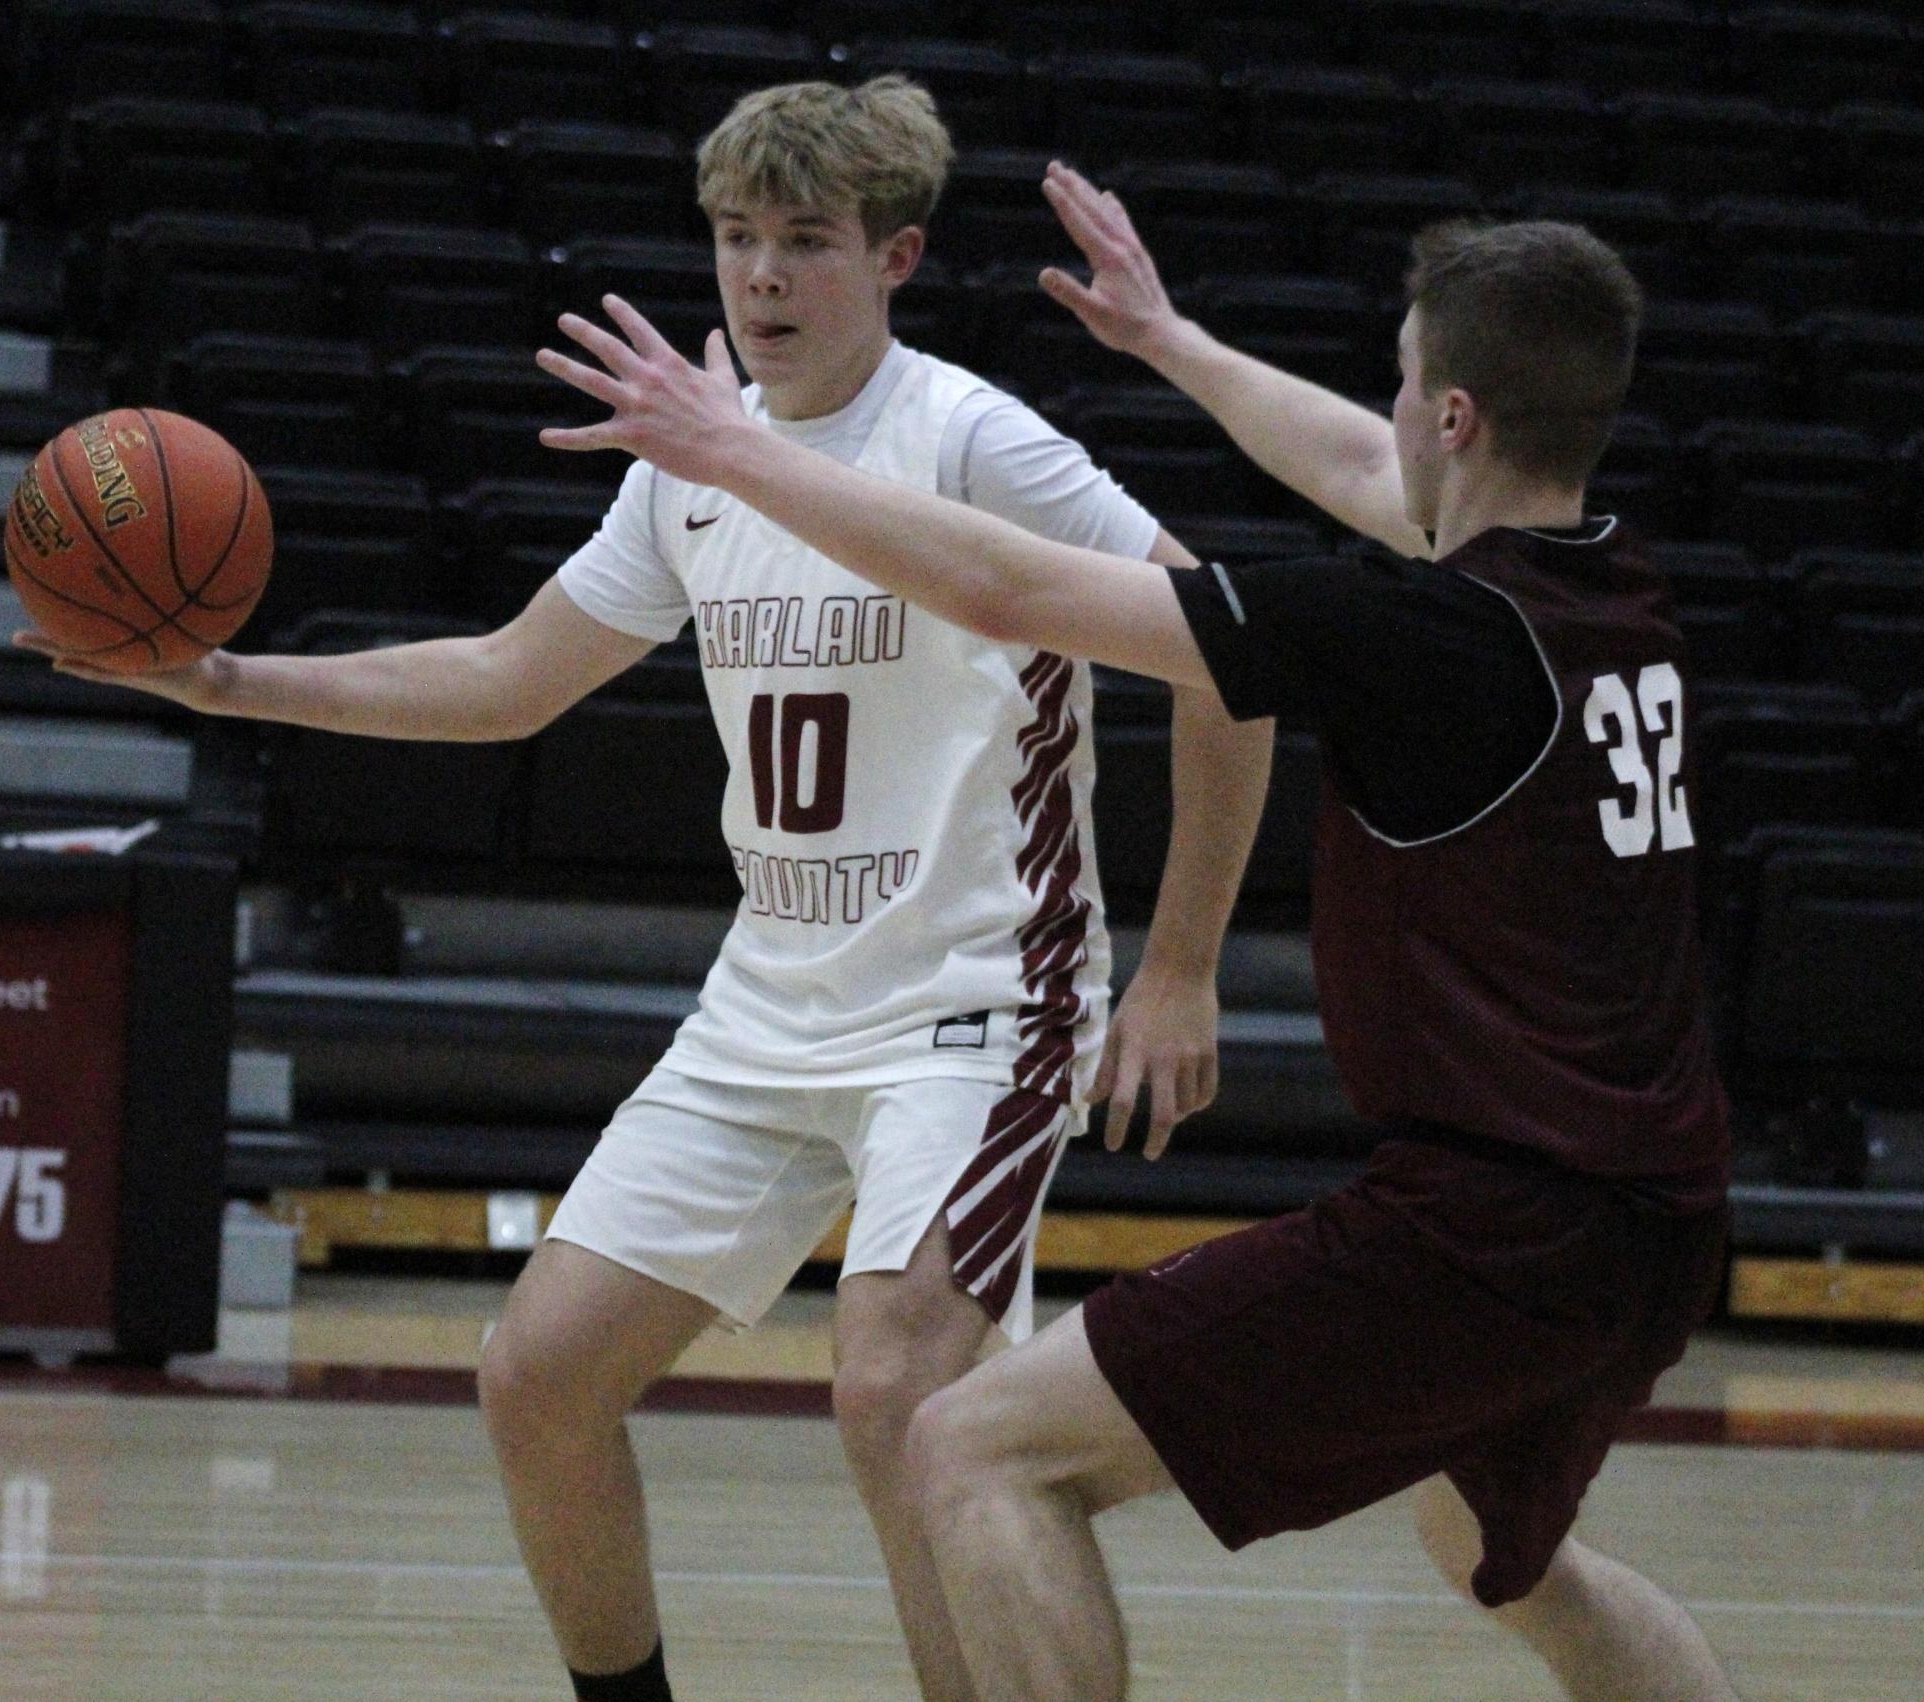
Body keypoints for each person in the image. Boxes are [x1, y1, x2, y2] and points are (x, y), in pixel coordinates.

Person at [20, 95, 1272, 1702]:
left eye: (804, 241)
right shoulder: (689, 465)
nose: (761, 277)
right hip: (769, 1001)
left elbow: (1232, 661)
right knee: (534, 1378)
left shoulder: (971, 440)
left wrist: (1178, 971)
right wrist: (235, 679)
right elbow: (509, 680)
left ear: (891, 257)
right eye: (736, 239)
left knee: (898, 1395)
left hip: (976, 1005)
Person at [535, 160, 1746, 1701]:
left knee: (971, 1445)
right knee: (1504, 1560)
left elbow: (998, 577)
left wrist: (733, 452)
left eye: (1398, 385)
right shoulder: (1610, 587)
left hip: (1488, 1228)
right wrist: (1166, 340)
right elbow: (1370, 477)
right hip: (1655, 1215)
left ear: (1449, 415)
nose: (1375, 417)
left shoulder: (1418, 638)